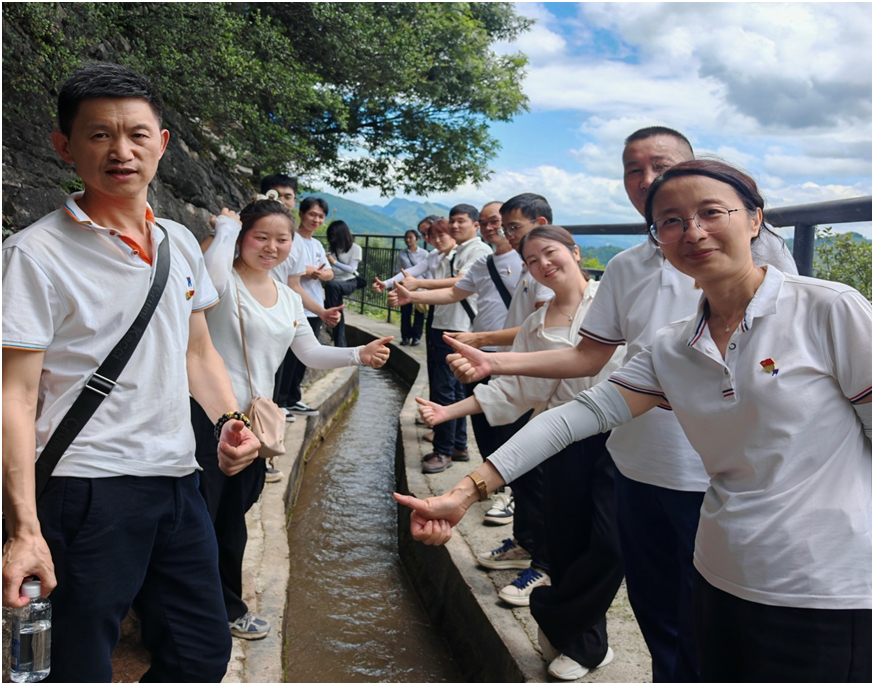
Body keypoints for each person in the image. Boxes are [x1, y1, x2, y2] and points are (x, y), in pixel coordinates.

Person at [398, 158, 871, 683]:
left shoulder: (828, 310)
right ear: (658, 240)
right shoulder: (673, 346)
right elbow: (578, 415)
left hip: (826, 586)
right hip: (722, 573)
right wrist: (464, 492)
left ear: (755, 219)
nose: (693, 232)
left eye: (712, 212)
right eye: (670, 221)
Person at [1, 62, 261, 683]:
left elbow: (197, 352)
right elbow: (14, 395)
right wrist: (24, 528)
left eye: (137, 134)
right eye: (99, 135)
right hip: (86, 487)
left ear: (162, 143)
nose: (121, 151)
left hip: (178, 478)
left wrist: (230, 419)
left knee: (200, 653)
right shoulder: (33, 254)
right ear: (65, 145)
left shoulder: (178, 240)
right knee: (77, 665)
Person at [418, 226, 626, 680]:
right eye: (531, 261)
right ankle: (585, 644)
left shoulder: (615, 302)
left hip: (624, 436)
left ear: (575, 252)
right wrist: (447, 411)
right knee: (568, 544)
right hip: (563, 439)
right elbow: (515, 391)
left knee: (612, 544)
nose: (542, 265)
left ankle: (554, 615)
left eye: (549, 253)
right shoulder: (536, 324)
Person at [199, 198, 391, 640]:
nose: (271, 247)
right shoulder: (222, 280)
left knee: (232, 520)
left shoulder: (287, 297)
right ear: (242, 237)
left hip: (253, 426)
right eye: (260, 237)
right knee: (199, 519)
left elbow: (309, 352)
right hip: (205, 417)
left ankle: (225, 608)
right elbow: (208, 283)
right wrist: (224, 230)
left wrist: (358, 354)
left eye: (281, 239)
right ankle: (189, 615)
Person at [410, 204, 492, 473]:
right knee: (452, 388)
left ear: (475, 225)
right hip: (444, 323)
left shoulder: (478, 251)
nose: (455, 226)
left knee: (445, 389)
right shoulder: (456, 251)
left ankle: (443, 451)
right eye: (452, 221)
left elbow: (458, 285)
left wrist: (416, 287)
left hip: (459, 326)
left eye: (461, 221)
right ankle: (458, 445)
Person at [271, 196, 343, 417]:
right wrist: (312, 271)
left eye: (321, 216)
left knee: (303, 358)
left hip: (313, 306)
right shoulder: (291, 239)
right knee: (288, 357)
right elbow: (294, 271)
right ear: (301, 214)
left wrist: (318, 273)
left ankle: (293, 398)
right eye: (312, 214)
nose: (316, 220)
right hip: (294, 306)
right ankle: (279, 401)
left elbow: (329, 273)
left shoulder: (317, 244)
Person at [324, 220, 363, 347]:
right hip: (335, 283)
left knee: (331, 287)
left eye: (334, 235)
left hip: (349, 281)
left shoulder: (355, 248)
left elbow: (351, 269)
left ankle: (329, 315)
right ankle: (340, 345)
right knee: (338, 311)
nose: (332, 238)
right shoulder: (333, 249)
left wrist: (334, 262)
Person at [394, 228, 428, 346]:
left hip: (420, 285)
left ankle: (416, 337)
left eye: (410, 237)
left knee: (420, 312)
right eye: (406, 238)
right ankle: (405, 337)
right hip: (406, 286)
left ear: (417, 239)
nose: (408, 240)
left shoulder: (424, 253)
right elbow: (398, 270)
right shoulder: (402, 254)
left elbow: (428, 271)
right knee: (405, 312)